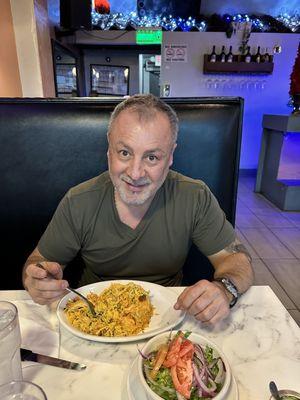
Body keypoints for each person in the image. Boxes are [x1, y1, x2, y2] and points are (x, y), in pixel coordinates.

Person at [22, 94, 254, 325]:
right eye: (124, 153)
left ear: (171, 156)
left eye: (152, 157)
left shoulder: (195, 196)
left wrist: (225, 289)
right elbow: (38, 261)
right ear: (109, 149)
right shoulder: (78, 201)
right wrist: (37, 279)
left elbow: (236, 260)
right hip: (94, 319)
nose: (135, 173)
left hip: (169, 317)